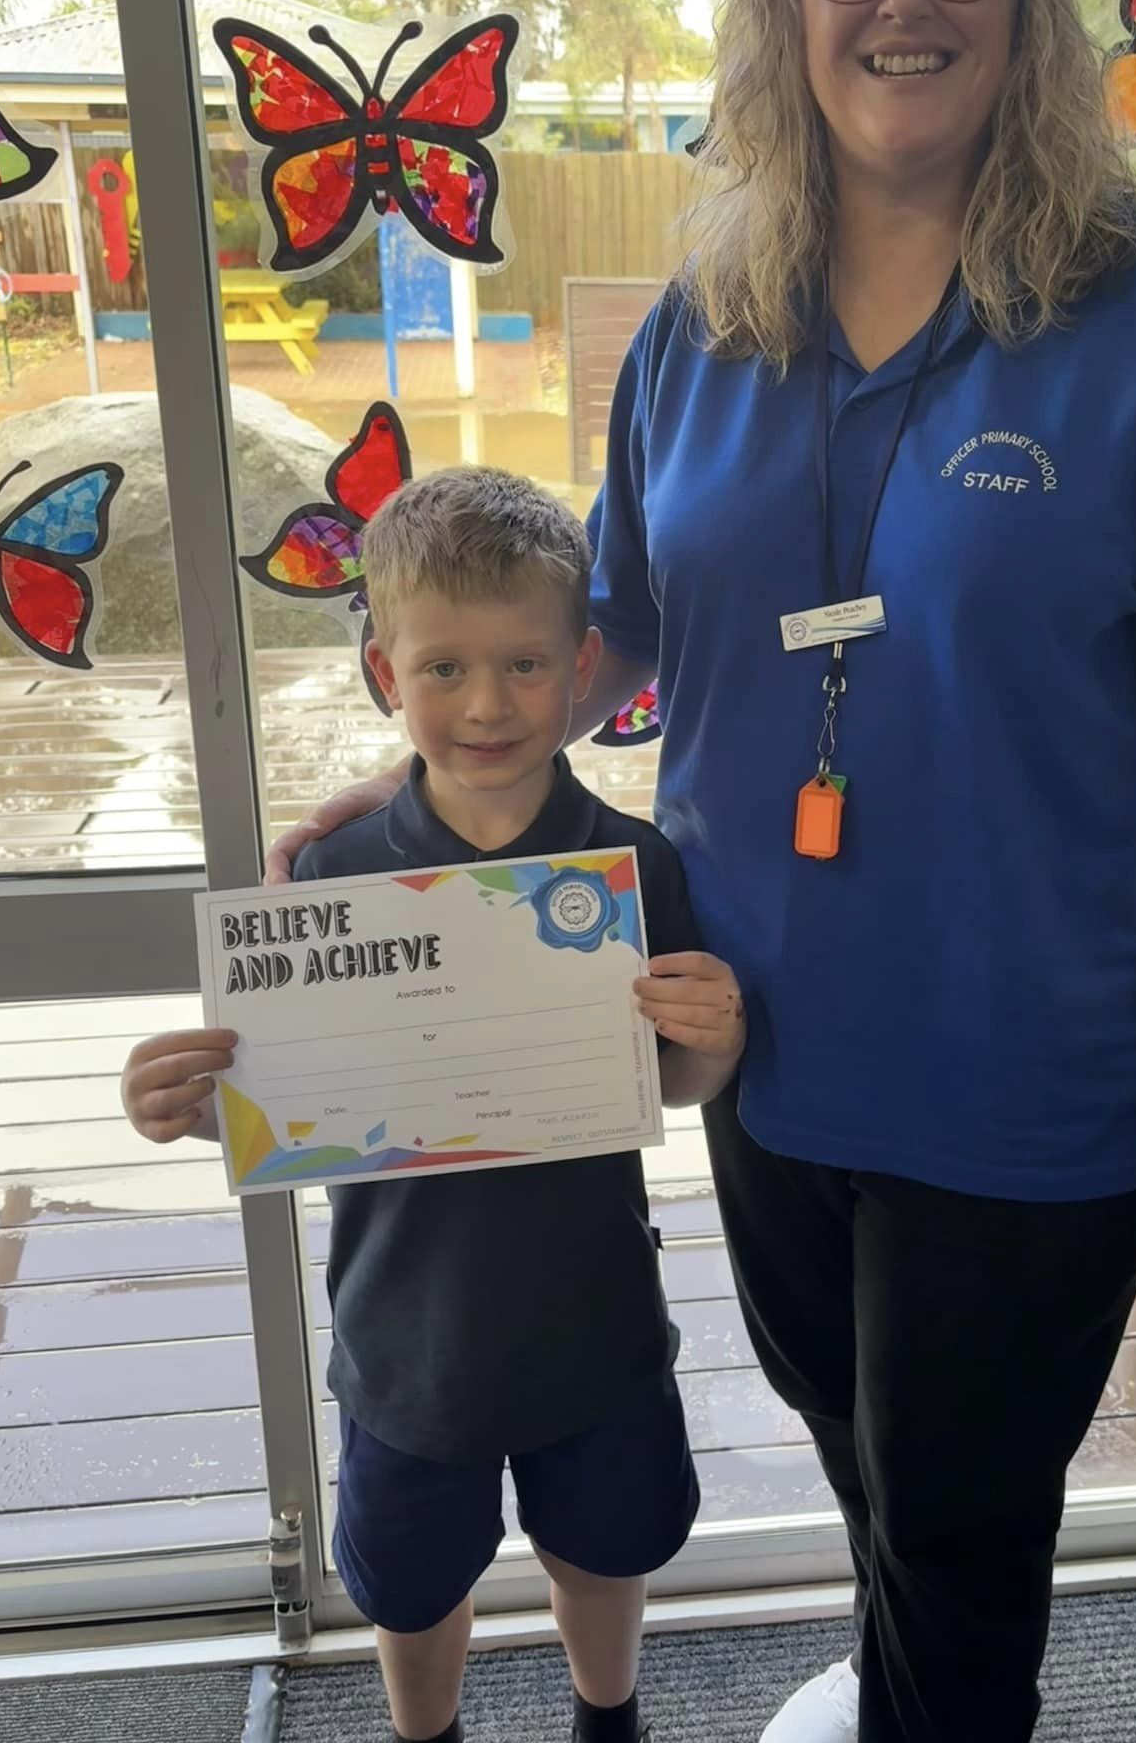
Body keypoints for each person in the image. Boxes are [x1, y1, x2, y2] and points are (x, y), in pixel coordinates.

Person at [267, 0, 1136, 1743]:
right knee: (855, 1433)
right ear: (785, 0)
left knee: (958, 1512)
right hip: (749, 1026)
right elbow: (617, 627)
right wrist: (423, 793)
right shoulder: (708, 317)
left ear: (1029, 2)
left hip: (1032, 1052)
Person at [122, 468, 747, 1743]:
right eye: (444, 667)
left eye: (524, 664)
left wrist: (716, 1041)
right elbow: (285, 1097)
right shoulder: (330, 877)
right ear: (383, 673)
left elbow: (672, 1085)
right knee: (410, 1590)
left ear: (582, 668)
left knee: (602, 1555)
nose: (487, 704)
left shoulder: (637, 868)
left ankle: (609, 1719)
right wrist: (191, 1101)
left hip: (591, 1316)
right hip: (406, 1335)